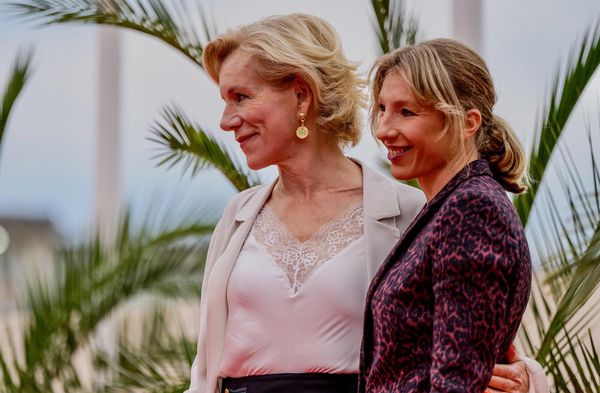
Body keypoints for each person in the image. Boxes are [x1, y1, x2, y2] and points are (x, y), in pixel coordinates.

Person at [185, 14, 545, 393]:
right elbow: (204, 370)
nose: (226, 121)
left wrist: (524, 380)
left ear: (301, 94)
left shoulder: (413, 212)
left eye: (240, 97)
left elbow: (470, 340)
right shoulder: (237, 217)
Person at [359, 38, 537, 392]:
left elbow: (456, 381)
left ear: (468, 122)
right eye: (382, 108)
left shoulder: (472, 210)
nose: (383, 129)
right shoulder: (448, 206)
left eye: (406, 112)